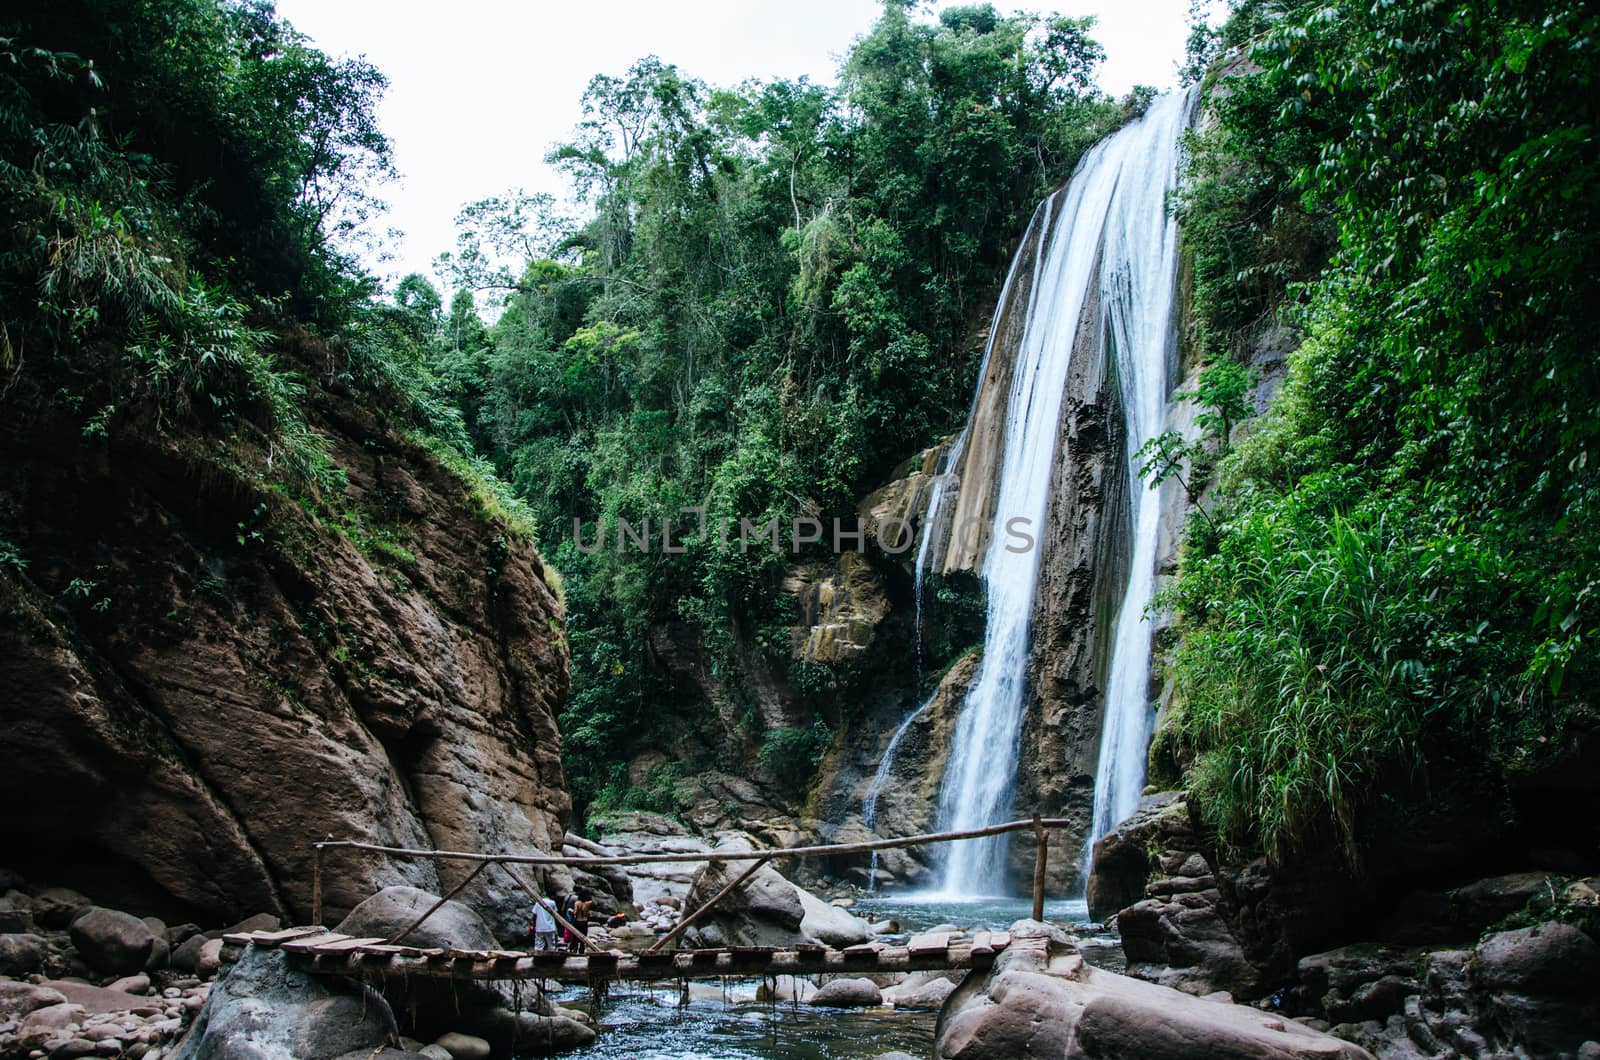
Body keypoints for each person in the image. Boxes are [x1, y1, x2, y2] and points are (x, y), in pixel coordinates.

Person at [569, 887, 593, 954]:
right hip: (584, 922)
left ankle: (572, 951)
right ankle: (581, 952)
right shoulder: (589, 903)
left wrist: (571, 911)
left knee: (575, 937)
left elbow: (575, 913)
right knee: (583, 939)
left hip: (577, 922)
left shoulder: (577, 903)